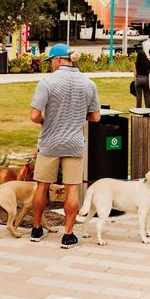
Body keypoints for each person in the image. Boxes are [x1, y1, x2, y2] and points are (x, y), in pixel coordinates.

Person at [27, 44, 99, 248]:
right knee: (72, 189)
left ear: (58, 60)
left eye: (50, 61)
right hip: (75, 143)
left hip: (50, 142)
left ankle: (36, 229)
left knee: (42, 186)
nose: (50, 65)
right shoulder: (88, 83)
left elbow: (34, 115)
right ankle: (68, 235)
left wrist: (44, 121)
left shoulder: (47, 82)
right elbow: (95, 116)